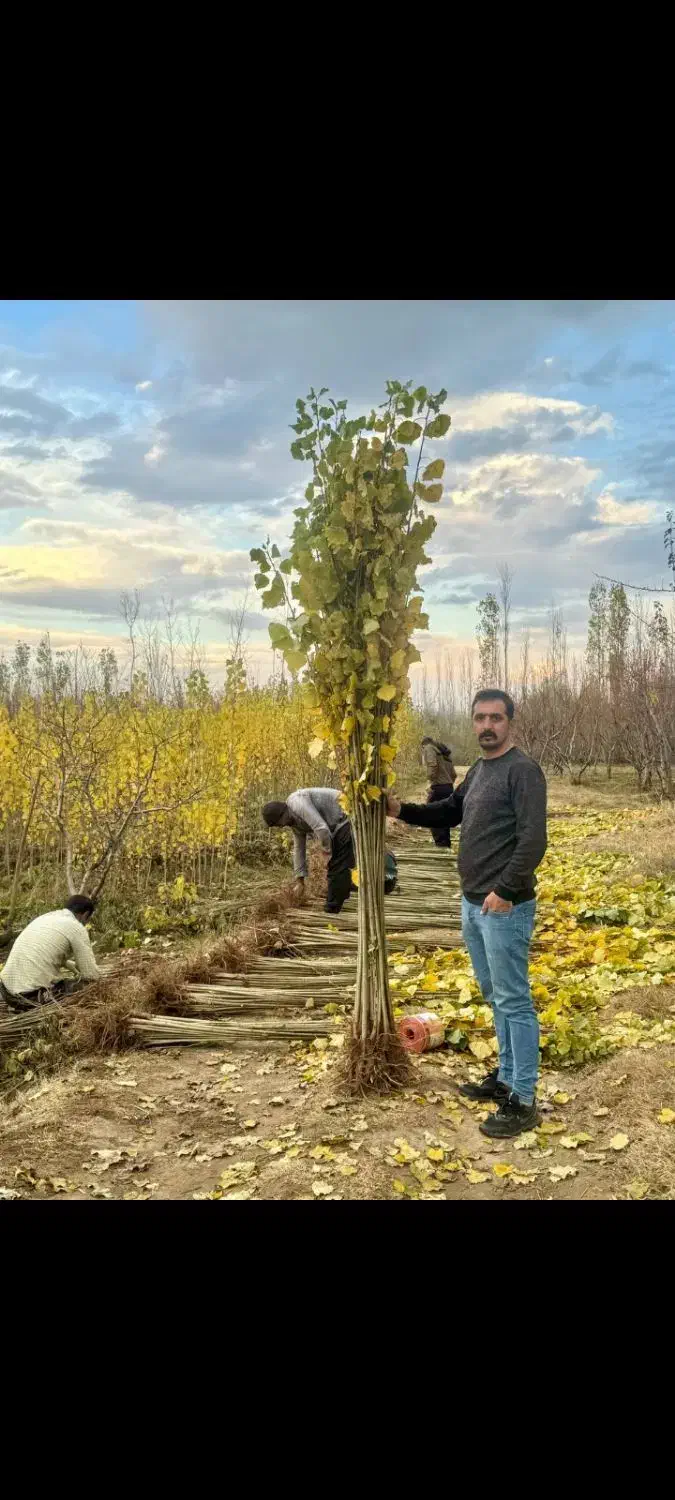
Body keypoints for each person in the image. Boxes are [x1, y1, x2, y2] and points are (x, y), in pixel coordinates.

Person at [387, 690, 547, 1138]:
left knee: (514, 1001)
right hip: (474, 903)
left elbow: (533, 839)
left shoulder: (523, 771)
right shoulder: (479, 770)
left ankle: (524, 1099)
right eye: (480, 718)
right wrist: (400, 810)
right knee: (496, 996)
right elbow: (450, 811)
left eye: (496, 717)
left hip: (504, 906)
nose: (487, 725)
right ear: (473, 722)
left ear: (510, 722)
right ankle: (507, 1078)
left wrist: (506, 889)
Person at [262, 787, 397, 914]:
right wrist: (300, 880)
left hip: (348, 815)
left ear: (281, 814)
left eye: (278, 823)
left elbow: (321, 828)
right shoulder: (294, 822)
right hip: (338, 826)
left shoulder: (297, 803)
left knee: (337, 866)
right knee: (344, 865)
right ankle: (378, 881)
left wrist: (328, 853)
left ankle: (332, 909)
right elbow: (299, 849)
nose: (281, 827)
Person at [0, 894, 102, 1012]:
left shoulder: (47, 917)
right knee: (86, 987)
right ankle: (29, 1007)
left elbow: (42, 950)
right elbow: (91, 975)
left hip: (6, 992)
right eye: (88, 919)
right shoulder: (76, 927)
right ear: (85, 914)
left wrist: (69, 964)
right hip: (30, 998)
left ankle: (19, 1006)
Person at [421, 736, 456, 848]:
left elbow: (432, 765)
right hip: (448, 788)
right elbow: (454, 775)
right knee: (444, 817)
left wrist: (429, 782)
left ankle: (440, 846)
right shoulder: (443, 753)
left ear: (423, 745)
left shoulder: (429, 748)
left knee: (432, 816)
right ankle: (445, 845)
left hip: (438, 787)